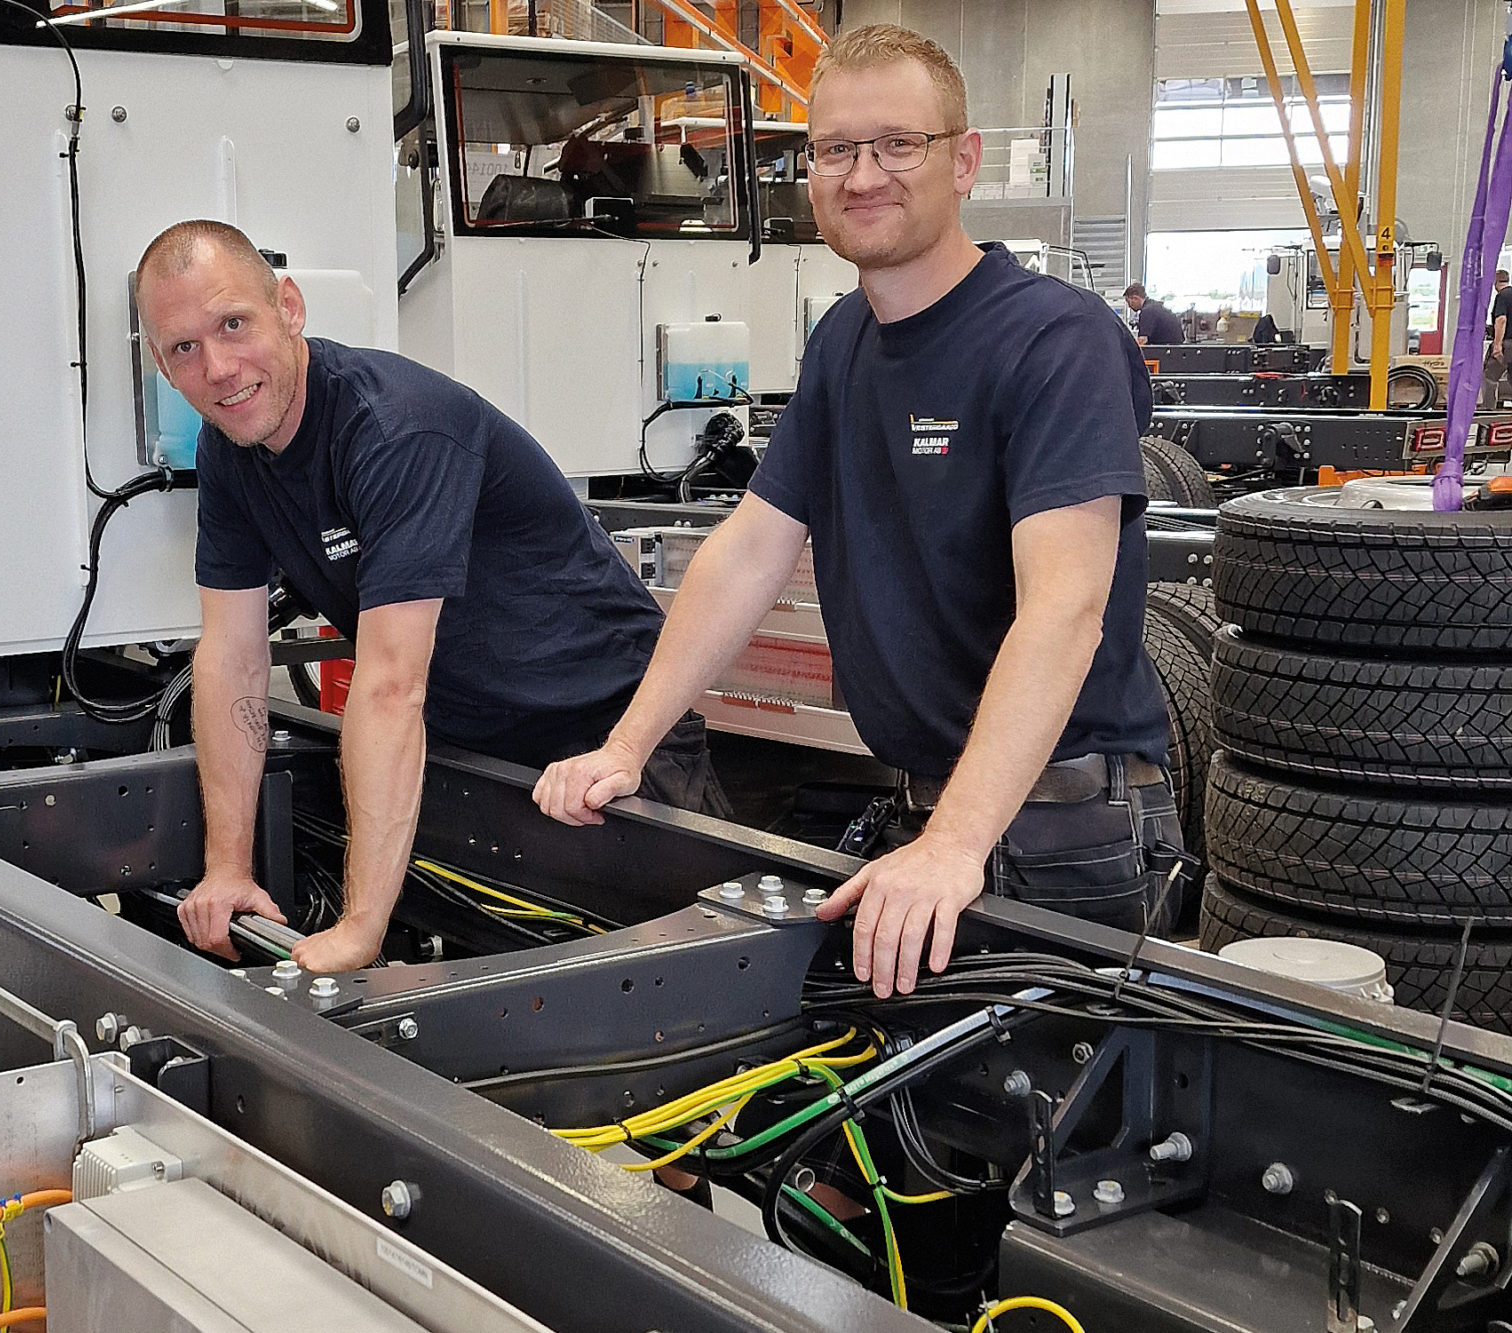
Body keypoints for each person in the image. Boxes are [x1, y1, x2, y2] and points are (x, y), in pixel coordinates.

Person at [535, 24, 1182, 1000]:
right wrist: (625, 748)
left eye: (896, 144)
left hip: (1060, 829)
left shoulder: (1056, 340)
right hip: (931, 814)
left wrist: (953, 843)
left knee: (1052, 1140)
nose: (861, 174)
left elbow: (1063, 610)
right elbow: (749, 547)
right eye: (834, 149)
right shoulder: (843, 340)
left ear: (961, 161)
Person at [135, 220, 729, 973]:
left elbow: (389, 688)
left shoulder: (393, 430)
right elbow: (230, 657)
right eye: (185, 348)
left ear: (288, 307)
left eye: (233, 324)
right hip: (477, 751)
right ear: (161, 362)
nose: (218, 367)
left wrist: (358, 931)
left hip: (610, 740)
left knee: (693, 988)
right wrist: (228, 866)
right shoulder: (229, 450)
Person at [1485, 269, 1511, 408]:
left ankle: (1487, 412)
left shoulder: (1502, 296)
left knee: (1489, 377)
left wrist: (1497, 345)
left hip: (1507, 344)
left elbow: (1501, 320)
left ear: (1495, 282)